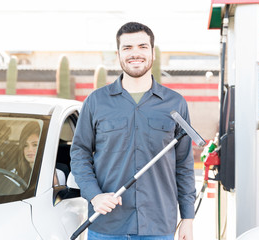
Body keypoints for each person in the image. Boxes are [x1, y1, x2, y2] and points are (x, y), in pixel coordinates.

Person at [70, 22, 196, 240]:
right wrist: (94, 195)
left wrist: (188, 218)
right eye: (127, 48)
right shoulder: (96, 102)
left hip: (158, 226)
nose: (135, 53)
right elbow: (79, 154)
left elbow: (184, 165)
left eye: (142, 46)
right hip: (107, 226)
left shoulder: (175, 104)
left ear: (152, 53)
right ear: (118, 54)